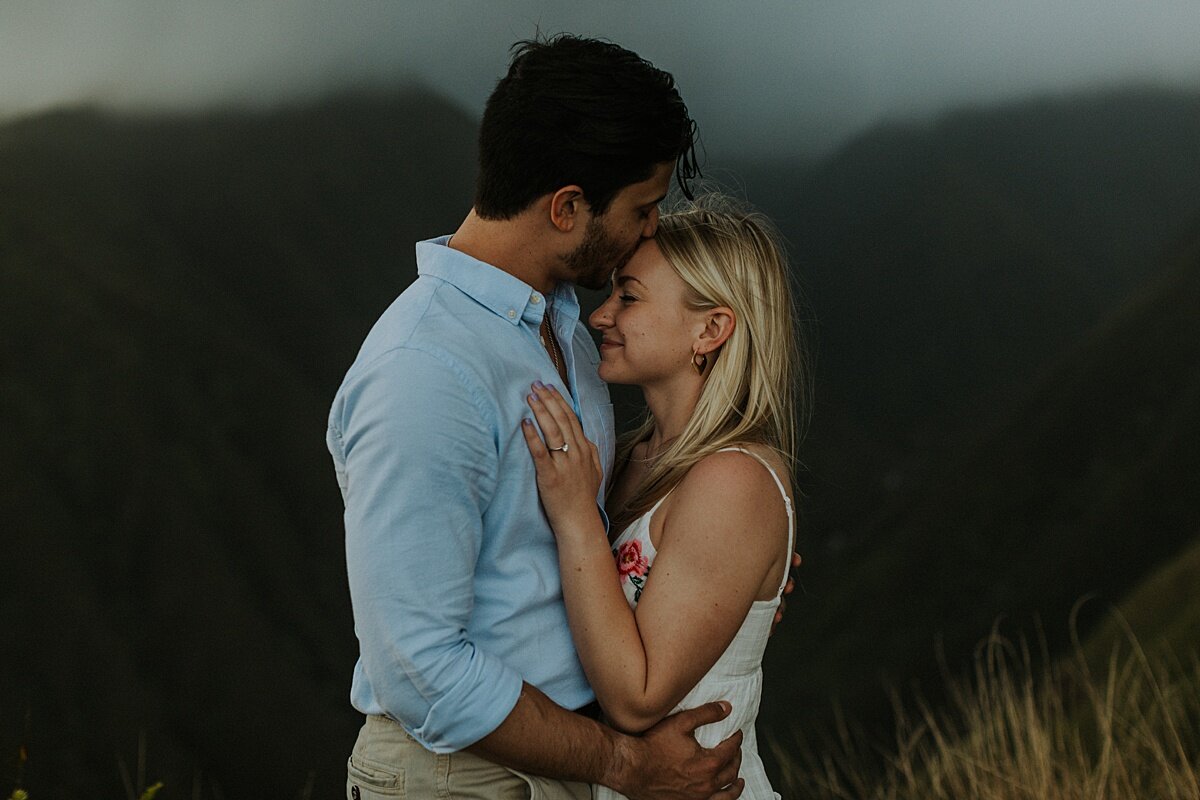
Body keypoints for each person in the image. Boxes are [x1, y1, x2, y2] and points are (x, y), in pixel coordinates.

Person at [328, 35, 749, 799]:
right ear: (566, 208)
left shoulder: (560, 327)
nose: (652, 231)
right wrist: (624, 766)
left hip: (554, 764)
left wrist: (731, 554)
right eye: (642, 209)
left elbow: (579, 516)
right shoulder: (425, 371)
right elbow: (418, 668)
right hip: (459, 780)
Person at [520, 197, 808, 799]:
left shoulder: (735, 479)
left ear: (711, 328)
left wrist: (576, 519)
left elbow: (636, 698)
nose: (600, 317)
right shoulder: (631, 459)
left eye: (629, 296)